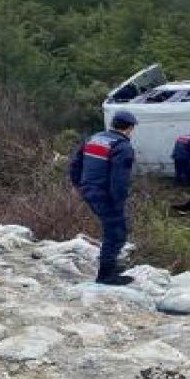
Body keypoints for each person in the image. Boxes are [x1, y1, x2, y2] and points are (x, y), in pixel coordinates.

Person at [69, 110, 138, 286]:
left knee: (113, 230)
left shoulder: (94, 138)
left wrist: (78, 185)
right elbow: (119, 179)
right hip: (105, 194)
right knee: (116, 233)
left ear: (113, 124)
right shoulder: (122, 147)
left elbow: (76, 163)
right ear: (129, 128)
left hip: (88, 190)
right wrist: (118, 202)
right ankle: (106, 276)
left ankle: (109, 269)